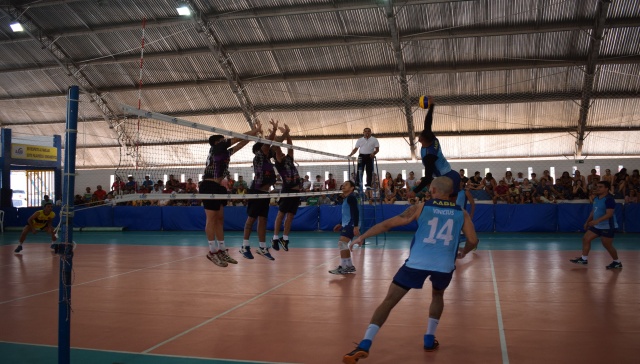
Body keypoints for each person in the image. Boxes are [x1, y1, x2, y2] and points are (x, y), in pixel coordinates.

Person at [342, 177, 478, 363]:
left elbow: (387, 224)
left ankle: (365, 343)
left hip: (416, 263)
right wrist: (463, 252)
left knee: (389, 301)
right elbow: (473, 241)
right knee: (437, 296)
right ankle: (429, 339)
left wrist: (362, 237)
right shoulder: (461, 213)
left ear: (433, 190)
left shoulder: (421, 207)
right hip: (444, 265)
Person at [200, 120, 262, 268]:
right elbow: (237, 138)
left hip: (219, 187)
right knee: (211, 219)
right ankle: (212, 251)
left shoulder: (224, 153)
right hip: (208, 185)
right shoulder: (217, 148)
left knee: (220, 219)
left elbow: (240, 144)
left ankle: (222, 249)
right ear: (217, 142)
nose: (224, 141)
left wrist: (253, 136)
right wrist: (254, 131)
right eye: (221, 139)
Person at [406, 97, 460, 201]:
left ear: (421, 140)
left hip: (447, 179)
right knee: (453, 206)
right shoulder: (433, 139)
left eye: (420, 136)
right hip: (452, 174)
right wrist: (431, 106)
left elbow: (427, 178)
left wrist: (414, 191)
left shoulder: (429, 157)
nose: (419, 136)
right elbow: (428, 123)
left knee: (447, 204)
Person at [240, 120, 279, 261]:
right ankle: (244, 246)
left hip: (265, 193)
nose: (267, 149)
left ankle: (262, 247)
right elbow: (268, 144)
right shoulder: (259, 156)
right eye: (264, 147)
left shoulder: (267, 161)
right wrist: (274, 130)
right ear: (260, 149)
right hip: (256, 192)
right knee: (251, 219)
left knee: (263, 220)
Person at [570, 180, 622, 269]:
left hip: (607, 226)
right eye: (597, 186)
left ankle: (616, 262)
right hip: (597, 225)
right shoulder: (596, 198)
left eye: (600, 187)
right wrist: (587, 221)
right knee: (586, 238)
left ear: (606, 189)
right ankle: (584, 259)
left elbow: (609, 214)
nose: (597, 188)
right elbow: (594, 211)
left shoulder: (609, 199)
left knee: (607, 245)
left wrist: (597, 221)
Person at [272, 124, 301, 252]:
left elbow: (290, 147)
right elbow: (278, 147)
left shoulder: (289, 159)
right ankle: (274, 238)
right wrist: (282, 133)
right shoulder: (279, 163)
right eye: (280, 153)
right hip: (287, 191)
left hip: (296, 192)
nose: (283, 153)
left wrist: (288, 133)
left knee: (290, 216)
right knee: (281, 215)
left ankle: (285, 238)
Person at [328, 180, 359, 274]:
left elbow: (355, 212)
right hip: (347, 223)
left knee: (342, 243)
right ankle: (349, 266)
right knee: (343, 244)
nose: (343, 186)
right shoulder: (347, 198)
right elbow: (347, 214)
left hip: (351, 224)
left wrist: (356, 226)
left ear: (352, 188)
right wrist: (341, 224)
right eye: (343, 184)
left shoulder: (351, 198)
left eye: (346, 185)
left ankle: (343, 266)